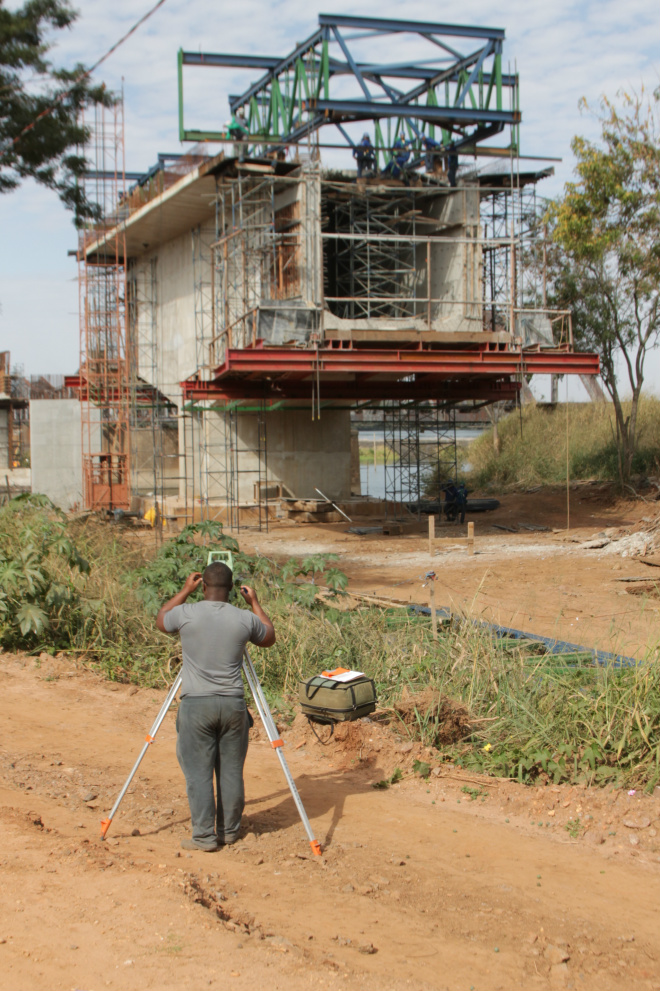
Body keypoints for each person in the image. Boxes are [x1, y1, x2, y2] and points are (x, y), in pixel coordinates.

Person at [156, 562, 276, 852]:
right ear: (234, 590)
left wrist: (185, 590)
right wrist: (256, 603)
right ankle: (229, 831)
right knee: (231, 771)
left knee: (198, 773)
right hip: (232, 705)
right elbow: (269, 636)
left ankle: (204, 837)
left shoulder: (185, 613)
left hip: (196, 705)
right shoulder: (244, 618)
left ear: (204, 587)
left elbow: (161, 620)